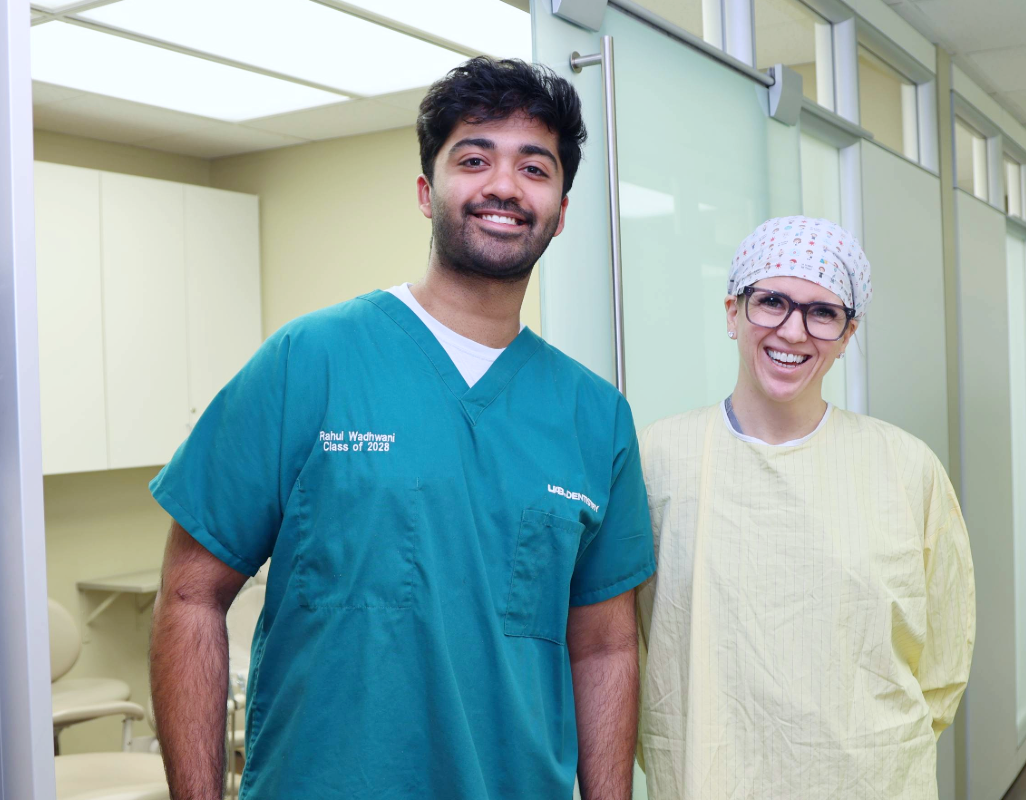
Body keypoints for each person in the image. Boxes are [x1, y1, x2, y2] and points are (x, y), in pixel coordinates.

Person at [148, 57, 655, 800]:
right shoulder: (309, 361)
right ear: (426, 191)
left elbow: (605, 648)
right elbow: (190, 596)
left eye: (534, 168)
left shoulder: (594, 415)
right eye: (474, 159)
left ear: (561, 209)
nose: (505, 186)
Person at [635, 216, 975, 799]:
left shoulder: (905, 467)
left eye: (822, 313)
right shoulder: (660, 458)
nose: (793, 331)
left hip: (871, 780)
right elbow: (634, 644)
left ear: (847, 334)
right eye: (771, 302)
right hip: (707, 778)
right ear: (732, 312)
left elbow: (943, 662)